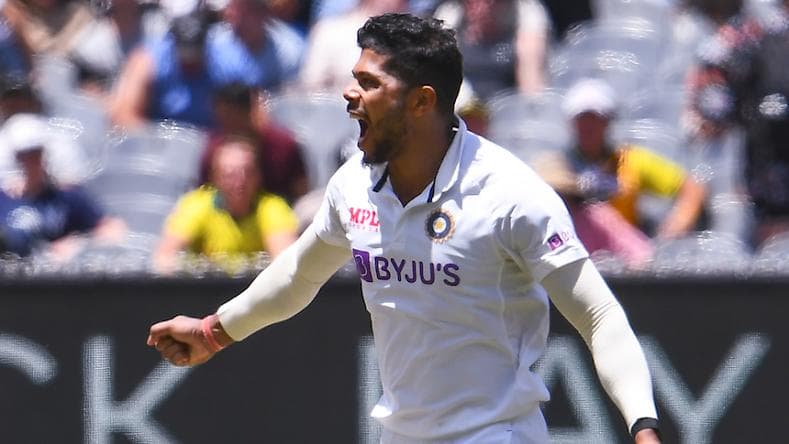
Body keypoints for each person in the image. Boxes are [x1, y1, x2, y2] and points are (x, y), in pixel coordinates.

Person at [147, 13, 661, 443]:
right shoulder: (353, 183)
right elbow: (299, 275)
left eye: (370, 83)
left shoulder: (512, 196)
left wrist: (643, 428)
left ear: (421, 101)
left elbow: (599, 317)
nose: (349, 93)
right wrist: (214, 331)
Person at [549, 79, 706, 243]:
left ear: (608, 121)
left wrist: (677, 224)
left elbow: (691, 187)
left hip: (626, 250)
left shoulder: (631, 160)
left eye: (595, 118)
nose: (588, 126)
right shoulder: (556, 165)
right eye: (582, 119)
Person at [153, 136, 298, 274]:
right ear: (215, 178)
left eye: (247, 172)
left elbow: (284, 263)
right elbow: (163, 258)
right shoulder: (196, 205)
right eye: (230, 174)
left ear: (258, 176)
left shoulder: (273, 208)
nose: (240, 181)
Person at [0, 115, 124, 259]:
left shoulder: (67, 197)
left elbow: (113, 228)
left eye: (36, 154)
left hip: (56, 269)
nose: (30, 162)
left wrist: (80, 243)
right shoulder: (4, 200)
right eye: (23, 156)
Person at [200, 82, 309, 204]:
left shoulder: (283, 145)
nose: (227, 123)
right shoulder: (215, 149)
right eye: (222, 117)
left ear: (249, 112)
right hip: (225, 212)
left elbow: (301, 191)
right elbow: (205, 193)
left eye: (233, 115)